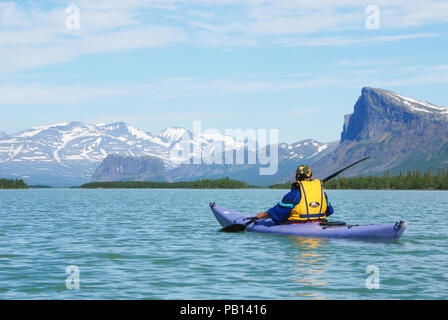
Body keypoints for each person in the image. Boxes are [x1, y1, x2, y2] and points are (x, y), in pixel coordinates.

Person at [255, 165, 334, 224]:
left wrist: (262, 216)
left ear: (295, 179)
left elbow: (277, 212)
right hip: (320, 224)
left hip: (298, 226)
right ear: (312, 177)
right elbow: (329, 211)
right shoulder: (323, 193)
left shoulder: (293, 194)